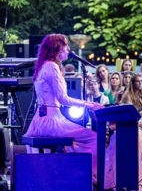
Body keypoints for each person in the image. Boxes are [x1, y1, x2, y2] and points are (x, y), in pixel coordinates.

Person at [24, 35, 104, 181]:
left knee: (75, 140)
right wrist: (90, 105)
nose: (68, 49)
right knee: (95, 138)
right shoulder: (52, 67)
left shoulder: (44, 65)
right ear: (56, 49)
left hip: (40, 119)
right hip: (51, 121)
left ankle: (71, 174)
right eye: (65, 46)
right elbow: (63, 99)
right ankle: (83, 176)